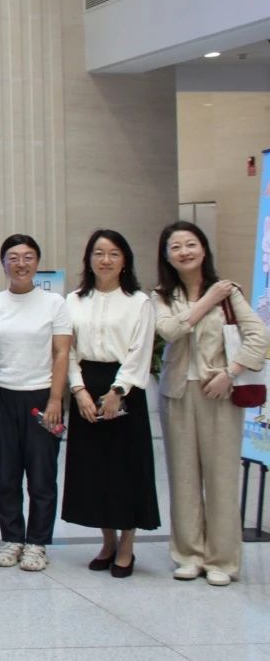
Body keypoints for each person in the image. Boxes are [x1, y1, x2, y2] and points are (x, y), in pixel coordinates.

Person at [153, 221, 267, 586]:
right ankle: (188, 555)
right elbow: (170, 331)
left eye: (191, 244)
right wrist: (207, 300)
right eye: (175, 247)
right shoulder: (161, 296)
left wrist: (230, 373)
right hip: (176, 393)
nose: (184, 252)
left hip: (219, 393)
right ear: (167, 256)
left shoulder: (228, 292)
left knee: (221, 477)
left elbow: (259, 337)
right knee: (183, 477)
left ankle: (222, 559)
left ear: (204, 249)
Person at [64, 229, 160, 578]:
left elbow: (140, 350)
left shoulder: (139, 302)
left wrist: (119, 390)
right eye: (99, 253)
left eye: (114, 253)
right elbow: (66, 349)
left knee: (126, 469)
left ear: (125, 261)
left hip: (125, 387)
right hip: (86, 385)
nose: (105, 260)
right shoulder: (73, 300)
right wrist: (78, 390)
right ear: (89, 259)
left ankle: (127, 546)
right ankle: (107, 542)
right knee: (94, 470)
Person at [0, 234, 72, 573]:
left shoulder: (54, 304)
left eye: (28, 257)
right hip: (1, 395)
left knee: (41, 474)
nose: (20, 264)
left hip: (42, 397)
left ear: (37, 262)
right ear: (3, 263)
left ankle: (37, 542)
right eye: (13, 257)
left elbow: (62, 353)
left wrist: (56, 398)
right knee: (6, 474)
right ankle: (12, 538)